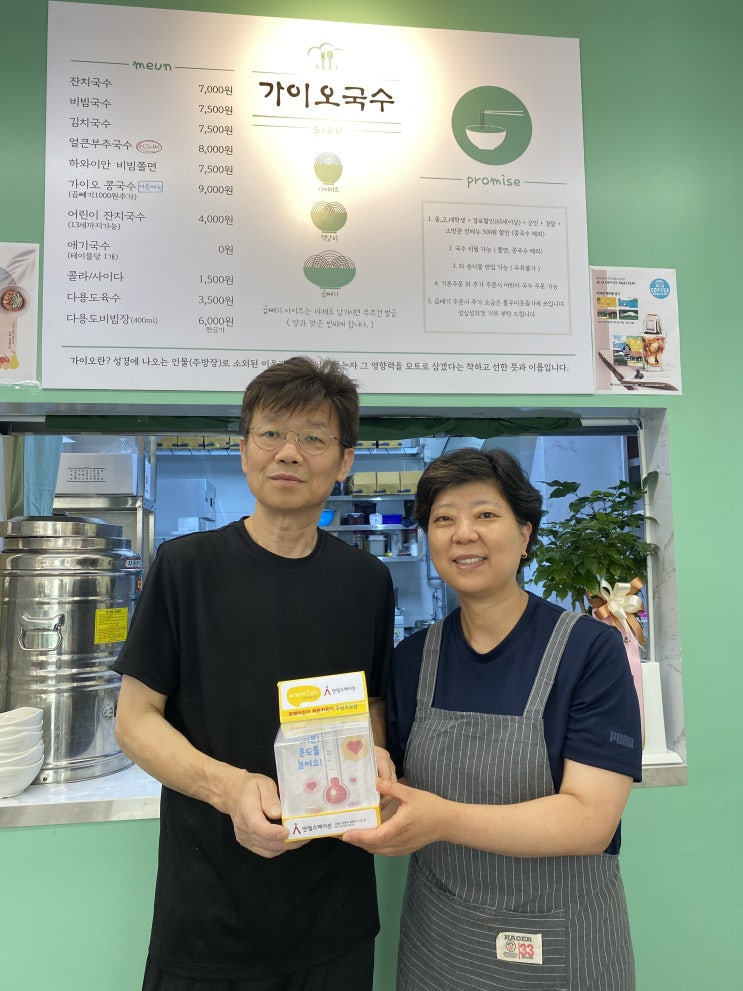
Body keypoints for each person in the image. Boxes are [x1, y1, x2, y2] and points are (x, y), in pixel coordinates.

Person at [113, 356, 395, 991]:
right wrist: (230, 789)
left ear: (345, 461)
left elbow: (371, 704)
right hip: (208, 916)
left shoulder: (367, 582)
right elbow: (134, 720)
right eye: (271, 433)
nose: (288, 452)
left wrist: (374, 760)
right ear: (244, 450)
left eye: (314, 437)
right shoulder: (184, 568)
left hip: (336, 915)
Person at [344, 447, 642, 990]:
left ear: (525, 534)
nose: (464, 534)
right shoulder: (411, 659)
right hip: (439, 945)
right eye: (444, 519)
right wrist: (368, 787)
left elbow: (591, 821)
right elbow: (404, 789)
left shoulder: (589, 651)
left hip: (559, 946)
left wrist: (443, 820)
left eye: (485, 514)